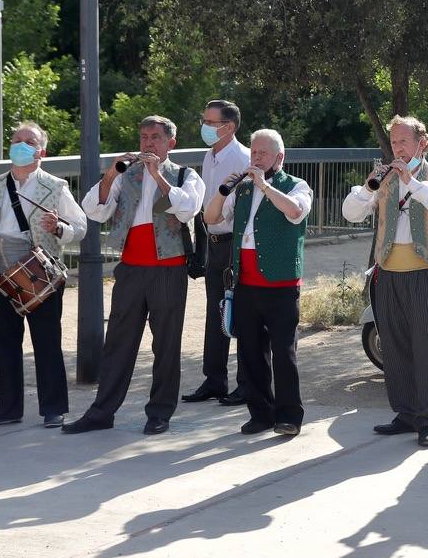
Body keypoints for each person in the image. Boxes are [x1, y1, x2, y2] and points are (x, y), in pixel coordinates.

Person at [63, 116, 205, 435]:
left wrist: (159, 177)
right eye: (143, 137)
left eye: (155, 137)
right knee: (117, 343)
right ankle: (102, 412)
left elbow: (188, 209)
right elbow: (94, 209)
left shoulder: (185, 175)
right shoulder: (127, 174)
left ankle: (159, 412)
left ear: (171, 142)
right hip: (130, 268)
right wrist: (112, 171)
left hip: (168, 269)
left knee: (166, 344)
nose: (147, 143)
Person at [342, 116, 428, 448]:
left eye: (403, 141)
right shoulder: (385, 178)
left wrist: (414, 182)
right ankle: (405, 414)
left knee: (427, 346)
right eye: (393, 142)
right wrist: (368, 187)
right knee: (394, 345)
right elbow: (351, 212)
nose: (397, 148)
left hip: (422, 272)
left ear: (421, 143)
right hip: (388, 271)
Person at [0, 122, 87, 428]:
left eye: (27, 141)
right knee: (4, 343)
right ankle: (7, 409)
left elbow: (79, 227)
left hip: (40, 272)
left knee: (46, 341)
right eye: (16, 140)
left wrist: (57, 227)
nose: (19, 145)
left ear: (41, 151)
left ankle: (54, 407)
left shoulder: (55, 186)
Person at [210, 129, 312, 437]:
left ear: (279, 157)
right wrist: (223, 189)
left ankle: (289, 416)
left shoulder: (296, 186)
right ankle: (260, 413)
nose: (256, 158)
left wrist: (264, 186)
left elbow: (294, 212)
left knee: (284, 352)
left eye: (263, 153)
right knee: (250, 352)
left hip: (281, 285)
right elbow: (211, 217)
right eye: (254, 152)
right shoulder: (241, 190)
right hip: (246, 284)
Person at [181, 100, 251, 406]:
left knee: (243, 311)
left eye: (211, 123)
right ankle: (214, 380)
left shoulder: (243, 157)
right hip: (213, 241)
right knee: (216, 311)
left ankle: (246, 383)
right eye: (204, 120)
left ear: (229, 127)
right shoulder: (211, 156)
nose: (205, 127)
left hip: (235, 242)